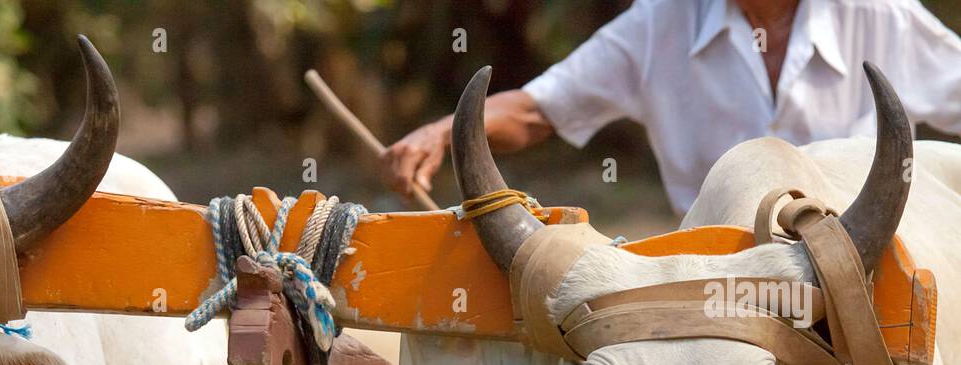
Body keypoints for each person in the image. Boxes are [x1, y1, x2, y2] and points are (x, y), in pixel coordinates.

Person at [382, 0, 961, 215]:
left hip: (860, 272)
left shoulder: (880, 15)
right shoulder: (659, 23)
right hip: (713, 284)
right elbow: (537, 110)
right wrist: (441, 132)